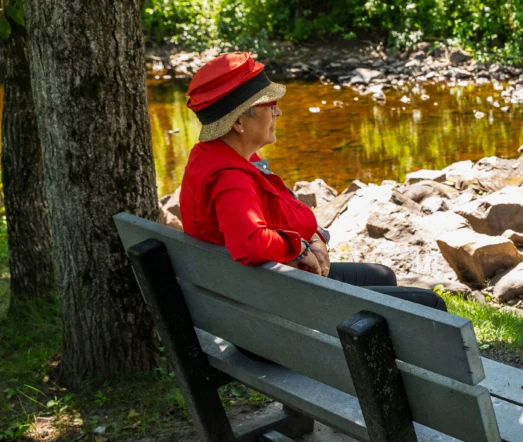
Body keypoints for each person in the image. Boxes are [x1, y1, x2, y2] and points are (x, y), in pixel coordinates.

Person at [178, 52, 446, 311]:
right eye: (270, 105)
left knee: (383, 276)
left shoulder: (214, 156)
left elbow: (276, 212)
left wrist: (314, 239)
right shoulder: (229, 176)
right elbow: (249, 242)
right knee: (430, 305)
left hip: (261, 289)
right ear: (238, 122)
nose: (278, 111)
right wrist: (298, 248)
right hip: (280, 305)